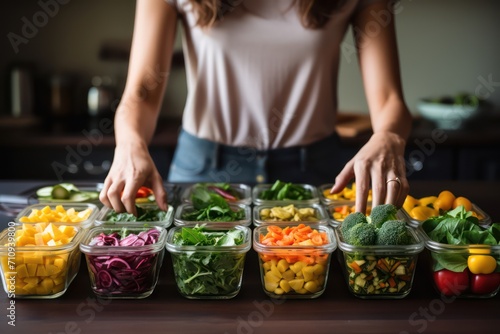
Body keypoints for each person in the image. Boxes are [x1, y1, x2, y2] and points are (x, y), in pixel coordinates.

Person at [99, 0, 412, 216]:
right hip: (203, 169)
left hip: (313, 171)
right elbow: (142, 91)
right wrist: (129, 143)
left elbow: (389, 100)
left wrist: (389, 137)